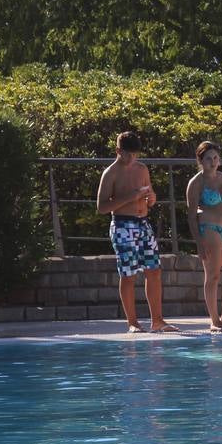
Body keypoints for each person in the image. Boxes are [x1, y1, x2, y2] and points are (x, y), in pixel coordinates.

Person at [95, 131, 178, 333]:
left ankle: (157, 320)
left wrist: (151, 198)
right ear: (118, 151)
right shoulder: (111, 173)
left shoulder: (142, 169)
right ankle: (132, 322)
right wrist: (131, 197)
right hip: (123, 225)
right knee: (129, 274)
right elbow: (102, 207)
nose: (132, 158)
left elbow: (150, 196)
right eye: (128, 154)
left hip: (143, 223)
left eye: (135, 154)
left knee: (154, 271)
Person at [185, 141, 222, 332]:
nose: (213, 162)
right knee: (212, 275)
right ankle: (214, 320)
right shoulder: (196, 183)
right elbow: (191, 216)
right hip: (208, 229)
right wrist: (199, 243)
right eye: (209, 158)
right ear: (200, 160)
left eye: (216, 158)